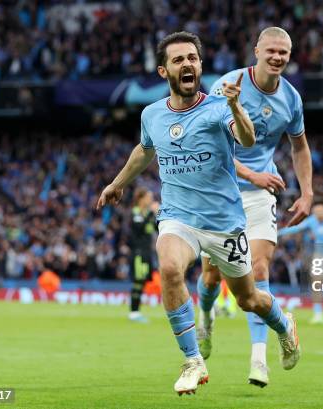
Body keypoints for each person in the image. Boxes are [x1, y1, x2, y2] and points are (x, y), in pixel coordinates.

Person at [97, 31, 300, 396]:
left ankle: (284, 325)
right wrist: (117, 183)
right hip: (178, 216)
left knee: (248, 299)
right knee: (171, 268)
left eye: (192, 58)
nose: (187, 64)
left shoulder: (219, 106)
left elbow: (248, 139)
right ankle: (192, 360)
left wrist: (237, 106)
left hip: (224, 224)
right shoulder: (152, 114)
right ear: (163, 71)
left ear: (200, 66)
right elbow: (144, 151)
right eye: (178, 59)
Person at [196, 26, 312, 388]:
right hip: (220, 191)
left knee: (257, 270)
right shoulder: (227, 86)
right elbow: (212, 145)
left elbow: (299, 146)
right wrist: (251, 173)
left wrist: (307, 193)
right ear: (257, 50)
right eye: (272, 50)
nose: (277, 57)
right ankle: (206, 315)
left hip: (261, 195)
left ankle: (259, 359)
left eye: (284, 53)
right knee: (213, 277)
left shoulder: (291, 99)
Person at [128, 188, 159, 323]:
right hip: (138, 252)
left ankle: (136, 311)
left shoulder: (147, 214)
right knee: (138, 281)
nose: (151, 200)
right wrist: (151, 214)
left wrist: (158, 216)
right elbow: (139, 229)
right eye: (149, 197)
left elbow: (157, 229)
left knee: (142, 281)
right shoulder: (135, 213)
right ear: (141, 199)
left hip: (147, 252)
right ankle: (134, 312)